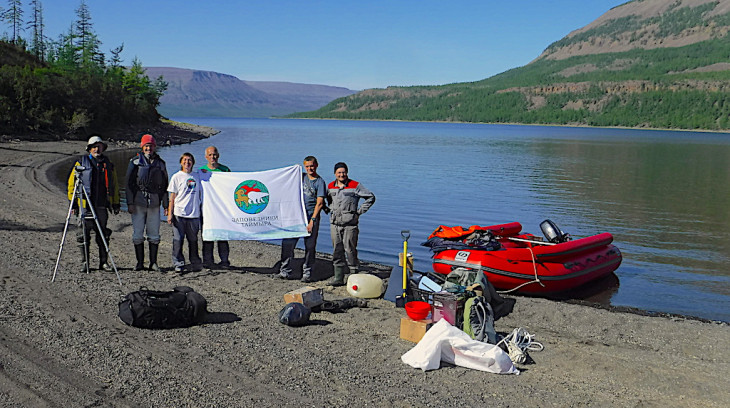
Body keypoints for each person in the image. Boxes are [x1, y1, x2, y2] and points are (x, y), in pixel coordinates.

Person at [67, 135, 120, 272]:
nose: (97, 149)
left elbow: (114, 184)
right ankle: (85, 263)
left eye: (99, 146)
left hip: (102, 204)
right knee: (83, 235)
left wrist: (115, 203)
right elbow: (72, 184)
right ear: (89, 149)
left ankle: (103, 262)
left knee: (103, 234)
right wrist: (73, 204)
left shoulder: (108, 164)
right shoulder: (81, 163)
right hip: (85, 205)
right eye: (94, 147)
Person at [279, 156, 327, 282]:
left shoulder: (320, 182)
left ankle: (307, 272)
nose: (310, 168)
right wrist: (293, 169)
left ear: (316, 165)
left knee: (310, 246)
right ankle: (285, 270)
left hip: (311, 218)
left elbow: (320, 203)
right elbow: (286, 181)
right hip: (295, 217)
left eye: (312, 166)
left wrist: (312, 220)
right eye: (307, 166)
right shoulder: (301, 177)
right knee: (288, 243)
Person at [326, 162, 375, 286]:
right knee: (337, 250)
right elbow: (325, 199)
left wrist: (359, 212)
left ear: (347, 172)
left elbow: (370, 197)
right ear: (335, 174)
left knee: (350, 250)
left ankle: (354, 277)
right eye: (339, 173)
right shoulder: (330, 186)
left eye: (343, 172)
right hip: (335, 224)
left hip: (350, 224)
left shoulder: (355, 185)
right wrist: (328, 209)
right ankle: (338, 278)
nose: (341, 175)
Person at [125, 134, 169, 272]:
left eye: (151, 146)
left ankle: (153, 263)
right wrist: (130, 203)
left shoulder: (161, 163)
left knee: (154, 234)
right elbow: (128, 184)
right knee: (137, 234)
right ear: (142, 147)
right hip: (138, 202)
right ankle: (139, 263)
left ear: (154, 147)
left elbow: (165, 186)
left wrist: (166, 205)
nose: (149, 148)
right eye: (146, 146)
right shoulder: (135, 162)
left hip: (155, 203)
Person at [167, 152, 203, 273]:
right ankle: (178, 263)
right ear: (181, 162)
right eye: (185, 160)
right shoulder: (176, 177)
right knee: (178, 239)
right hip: (179, 214)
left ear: (193, 163)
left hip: (194, 214)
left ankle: (195, 262)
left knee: (193, 240)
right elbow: (172, 197)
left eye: (189, 160)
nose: (187, 162)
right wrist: (170, 213)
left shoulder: (197, 176)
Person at [200, 146, 231, 269]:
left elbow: (231, 187)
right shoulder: (201, 171)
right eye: (210, 155)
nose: (212, 157)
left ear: (218, 155)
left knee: (222, 237)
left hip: (222, 210)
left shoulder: (225, 170)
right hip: (207, 210)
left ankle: (224, 261)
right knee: (207, 236)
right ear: (206, 157)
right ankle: (208, 261)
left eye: (214, 154)